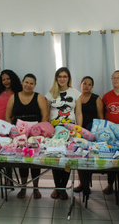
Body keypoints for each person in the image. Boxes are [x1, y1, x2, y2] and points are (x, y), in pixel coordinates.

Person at [5, 73, 48, 199]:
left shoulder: (39, 97)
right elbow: (8, 116)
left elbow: (45, 116)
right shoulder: (14, 97)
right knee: (22, 160)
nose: (28, 85)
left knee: (34, 161)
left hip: (35, 133)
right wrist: (10, 131)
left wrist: (40, 132)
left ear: (34, 85)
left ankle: (35, 188)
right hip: (19, 134)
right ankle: (23, 188)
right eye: (26, 82)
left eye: (31, 83)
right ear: (22, 82)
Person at [45, 67, 82, 200]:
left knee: (67, 160)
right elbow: (47, 113)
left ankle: (64, 187)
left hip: (70, 131)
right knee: (55, 159)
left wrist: (78, 129)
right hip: (54, 131)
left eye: (64, 76)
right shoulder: (50, 94)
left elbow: (78, 113)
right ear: (56, 78)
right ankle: (57, 187)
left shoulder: (76, 93)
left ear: (68, 78)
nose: (62, 79)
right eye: (59, 76)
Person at [0, 69, 22, 183]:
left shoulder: (17, 94)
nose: (6, 81)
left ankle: (9, 178)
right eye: (3, 79)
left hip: (7, 127)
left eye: (8, 78)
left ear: (13, 79)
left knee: (7, 152)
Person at [74, 76, 104, 193]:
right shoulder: (76, 97)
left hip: (92, 132)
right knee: (79, 157)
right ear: (80, 84)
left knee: (89, 158)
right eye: (84, 83)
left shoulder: (96, 99)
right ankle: (82, 183)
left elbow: (101, 118)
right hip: (78, 131)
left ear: (92, 86)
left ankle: (87, 185)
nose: (86, 86)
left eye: (89, 84)